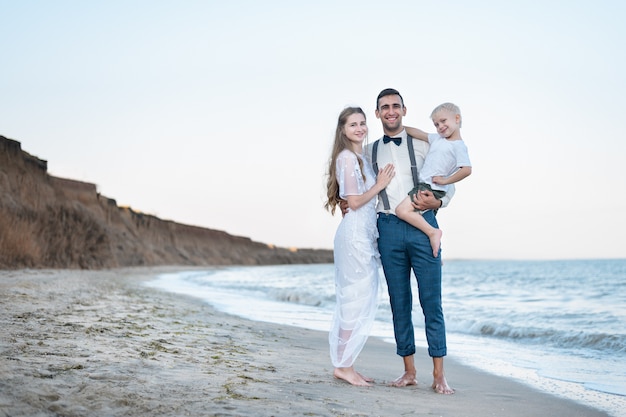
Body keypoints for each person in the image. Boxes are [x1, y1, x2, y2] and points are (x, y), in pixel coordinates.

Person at [352, 88, 455, 394]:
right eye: (384, 107)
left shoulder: (426, 144)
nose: (390, 111)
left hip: (425, 227)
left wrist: (440, 202)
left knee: (431, 302)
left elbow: (447, 179)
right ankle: (409, 371)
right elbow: (354, 187)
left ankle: (439, 375)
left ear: (404, 110)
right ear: (377, 114)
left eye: (395, 106)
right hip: (388, 229)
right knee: (400, 303)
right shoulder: (367, 152)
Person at [324, 106, 395, 386]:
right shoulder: (345, 158)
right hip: (354, 236)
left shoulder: (360, 157)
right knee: (355, 300)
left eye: (363, 123)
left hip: (363, 234)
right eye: (353, 124)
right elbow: (353, 202)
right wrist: (379, 185)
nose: (360, 128)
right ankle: (343, 366)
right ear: (343, 130)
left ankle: (347, 364)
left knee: (359, 298)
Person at [396, 103, 472, 257]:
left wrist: (445, 181)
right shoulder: (437, 139)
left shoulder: (458, 146)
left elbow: (467, 170)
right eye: (436, 124)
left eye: (444, 121)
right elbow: (420, 134)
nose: (440, 126)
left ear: (457, 119)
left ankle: (433, 234)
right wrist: (401, 127)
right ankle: (435, 250)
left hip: (431, 188)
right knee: (419, 221)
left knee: (401, 211)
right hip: (426, 186)